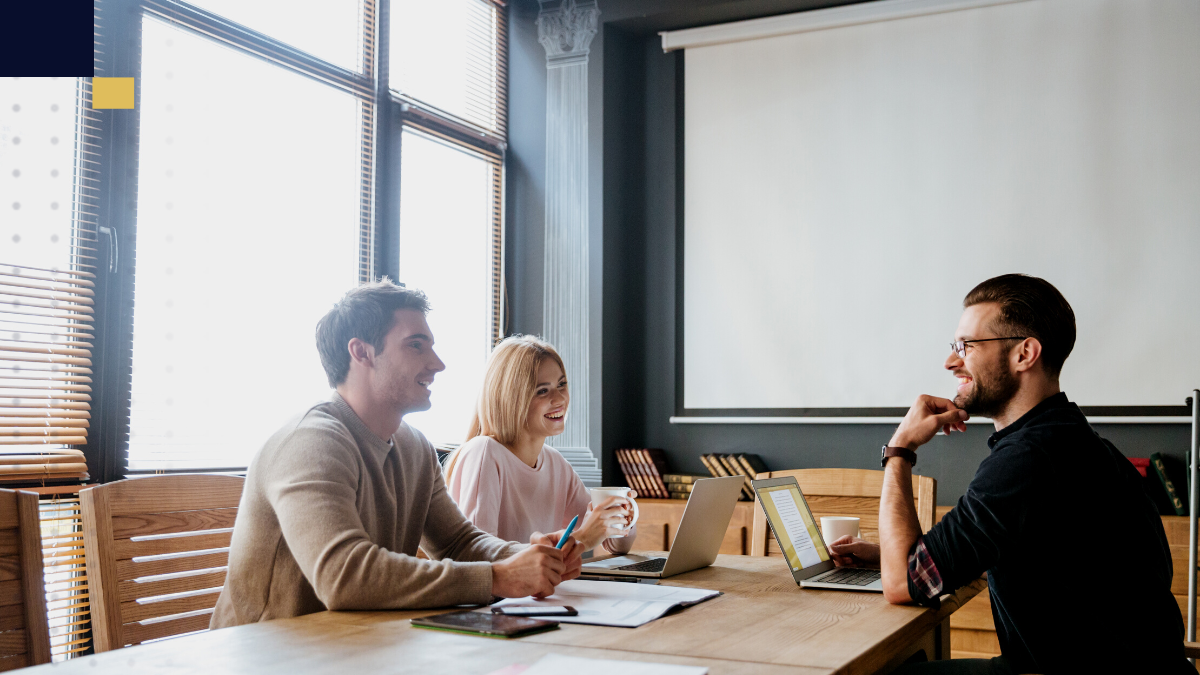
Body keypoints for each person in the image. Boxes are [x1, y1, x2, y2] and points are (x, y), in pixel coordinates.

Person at [827, 274, 1188, 674]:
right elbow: (1035, 556)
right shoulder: (1070, 440)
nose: (951, 361)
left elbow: (903, 586)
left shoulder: (1028, 458)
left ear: (1024, 354)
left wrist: (899, 450)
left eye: (967, 346)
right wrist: (888, 556)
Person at [211, 281, 582, 628]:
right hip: (269, 657)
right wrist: (499, 577)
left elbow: (458, 543)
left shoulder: (413, 446)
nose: (438, 363)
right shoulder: (309, 443)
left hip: (356, 647)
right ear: (362, 352)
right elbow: (344, 576)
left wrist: (529, 559)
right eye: (416, 345)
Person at [445, 335, 637, 554]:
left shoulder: (555, 463)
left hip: (545, 589)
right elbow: (480, 558)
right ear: (511, 399)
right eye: (543, 390)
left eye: (561, 384)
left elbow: (614, 545)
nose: (560, 399)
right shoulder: (484, 452)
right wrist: (583, 538)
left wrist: (622, 518)